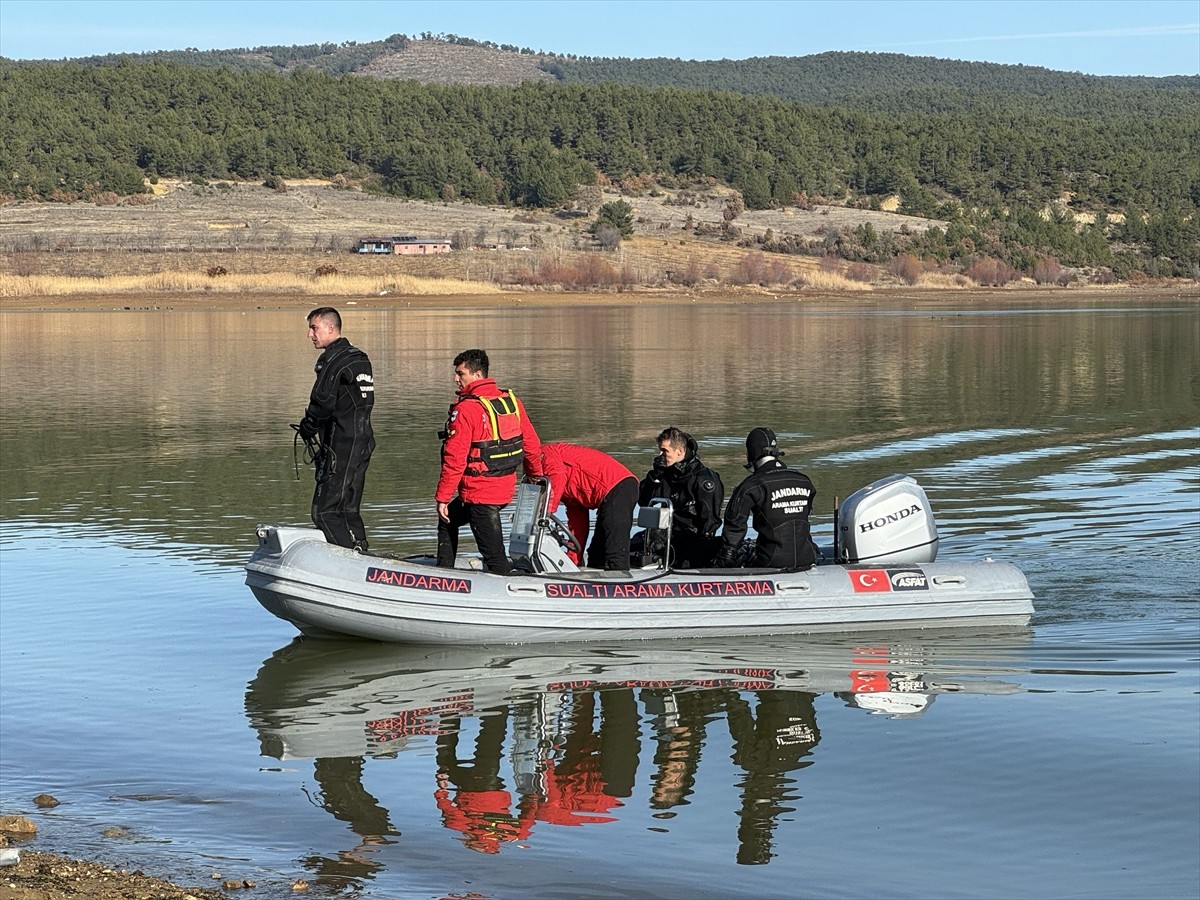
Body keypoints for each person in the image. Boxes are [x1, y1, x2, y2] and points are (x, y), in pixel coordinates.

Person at [435, 349, 542, 575]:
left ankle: (455, 580)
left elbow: (455, 459)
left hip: (480, 494)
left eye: (460, 373)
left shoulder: (466, 409)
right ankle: (443, 573)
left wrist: (443, 497)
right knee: (447, 520)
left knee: (495, 560)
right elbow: (532, 445)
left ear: (477, 375)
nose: (455, 379)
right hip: (504, 490)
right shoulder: (512, 402)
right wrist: (535, 476)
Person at [294, 307, 375, 552]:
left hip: (341, 445)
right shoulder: (360, 358)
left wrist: (308, 427)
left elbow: (322, 401)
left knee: (324, 512)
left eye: (314, 328)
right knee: (348, 508)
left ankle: (349, 561)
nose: (310, 335)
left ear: (330, 328)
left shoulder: (333, 360)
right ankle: (360, 549)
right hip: (363, 442)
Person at [715, 427, 818, 570]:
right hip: (807, 557)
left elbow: (734, 527)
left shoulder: (750, 486)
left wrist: (724, 560)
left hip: (769, 561)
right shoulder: (804, 481)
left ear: (752, 452)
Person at [531, 443, 638, 571]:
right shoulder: (568, 488)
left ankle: (620, 579)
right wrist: (573, 561)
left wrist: (546, 512)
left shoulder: (546, 454)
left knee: (614, 556)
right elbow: (578, 522)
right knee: (596, 557)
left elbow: (557, 476)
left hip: (619, 486)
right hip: (609, 494)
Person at [637, 426, 724, 567]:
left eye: (665, 451)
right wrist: (655, 477)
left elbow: (710, 524)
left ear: (680, 451)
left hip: (693, 539)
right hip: (668, 535)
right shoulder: (666, 475)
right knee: (634, 544)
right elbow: (643, 502)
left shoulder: (703, 480)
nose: (660, 455)